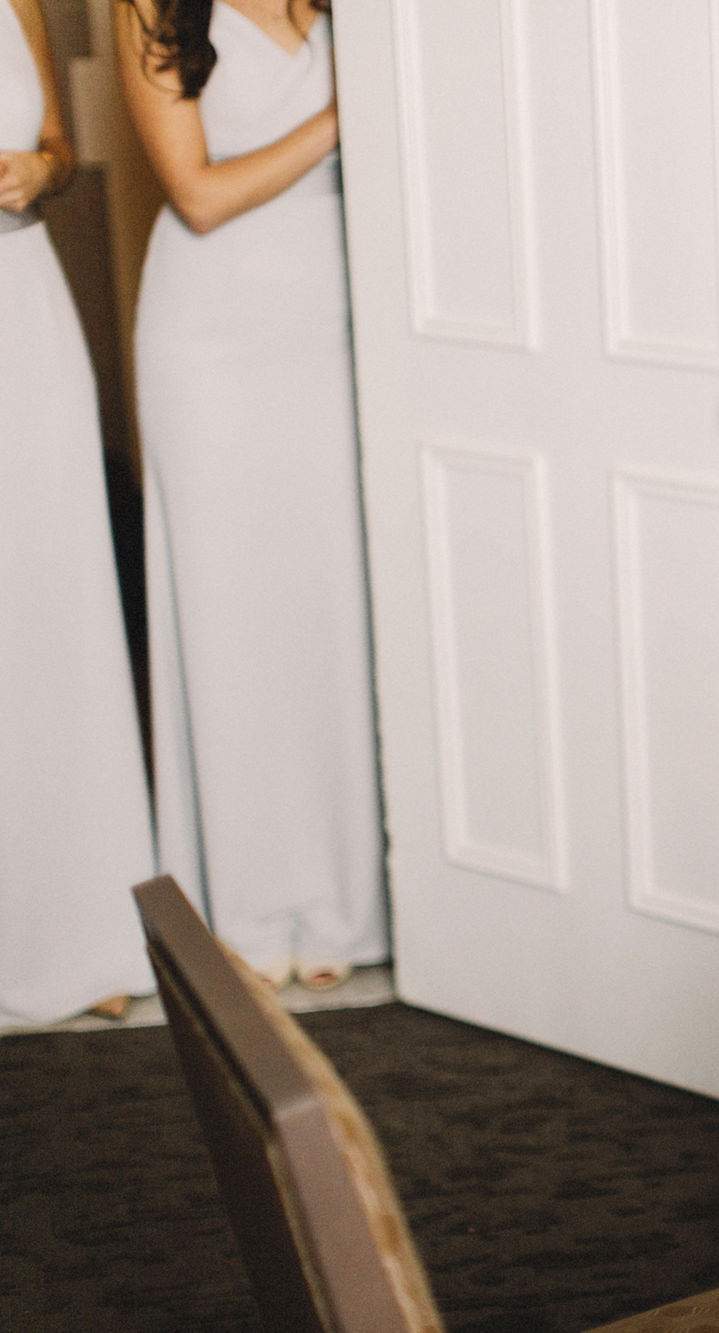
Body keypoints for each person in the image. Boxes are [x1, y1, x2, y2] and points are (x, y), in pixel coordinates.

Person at [119, 0, 383, 990]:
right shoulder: (155, 6)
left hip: (343, 317)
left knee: (335, 609)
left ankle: (351, 902)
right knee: (237, 621)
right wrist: (351, 113)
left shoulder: (346, 8)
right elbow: (198, 195)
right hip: (213, 337)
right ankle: (251, 906)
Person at [0, 0, 158, 1025]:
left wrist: (38, 171)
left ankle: (84, 931)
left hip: (21, 305)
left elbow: (59, 143)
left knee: (55, 605)